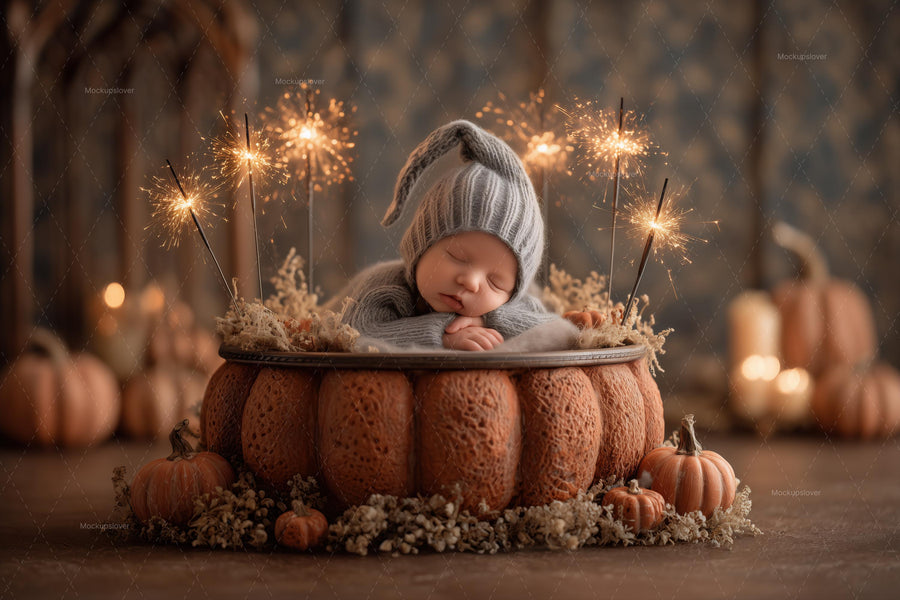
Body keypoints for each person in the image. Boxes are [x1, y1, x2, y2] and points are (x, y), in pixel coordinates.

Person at [328, 119, 564, 351]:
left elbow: (550, 324)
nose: (471, 282)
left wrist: (487, 319)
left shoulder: (510, 303)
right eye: (457, 257)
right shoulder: (386, 287)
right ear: (419, 248)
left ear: (511, 295)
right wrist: (444, 333)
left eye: (495, 283)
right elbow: (357, 330)